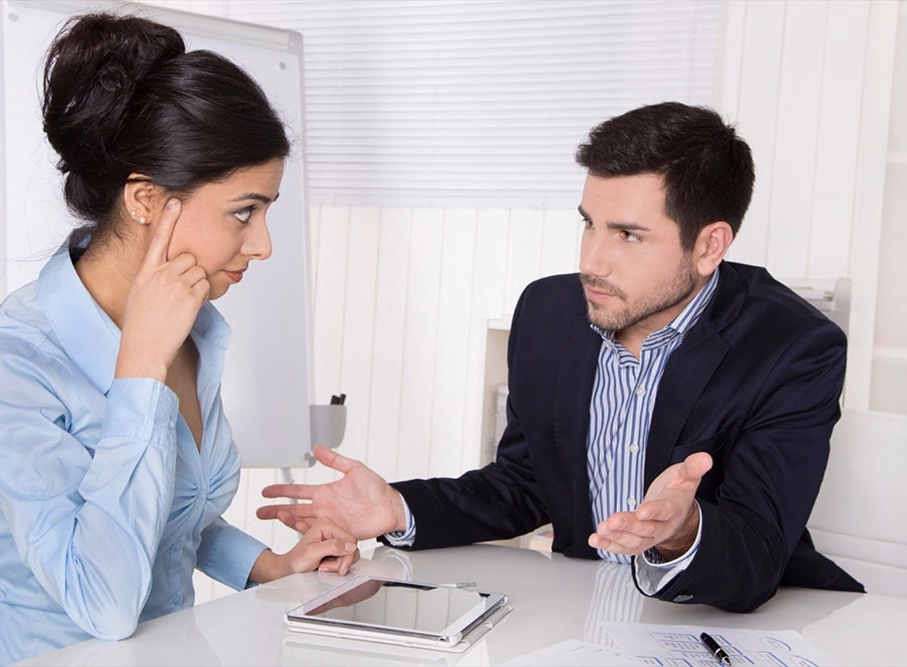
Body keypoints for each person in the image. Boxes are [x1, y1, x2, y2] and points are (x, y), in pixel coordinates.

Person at [258, 102, 865, 613]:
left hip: (729, 624)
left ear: (710, 245)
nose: (592, 261)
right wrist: (398, 505)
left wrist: (682, 532)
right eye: (588, 224)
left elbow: (759, 549)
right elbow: (524, 484)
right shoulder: (550, 312)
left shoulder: (793, 346)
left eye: (627, 235)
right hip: (582, 609)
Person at [0, 13, 359, 667]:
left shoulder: (199, 331)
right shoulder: (7, 362)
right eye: (244, 211)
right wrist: (140, 369)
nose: (264, 244)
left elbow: (170, 517)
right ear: (147, 200)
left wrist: (268, 564)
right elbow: (103, 599)